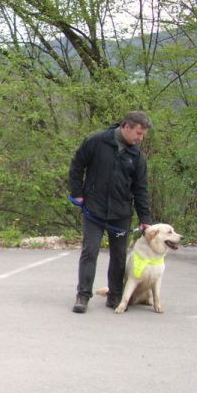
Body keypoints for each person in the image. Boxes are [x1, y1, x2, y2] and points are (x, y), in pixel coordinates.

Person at [68, 111, 153, 313]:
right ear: (126, 127)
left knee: (118, 255)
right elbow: (77, 166)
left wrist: (145, 218)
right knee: (90, 251)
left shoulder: (137, 156)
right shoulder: (96, 141)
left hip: (121, 213)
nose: (140, 138)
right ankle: (83, 296)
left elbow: (140, 189)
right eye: (138, 133)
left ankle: (115, 296)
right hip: (94, 210)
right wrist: (77, 193)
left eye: (143, 135)